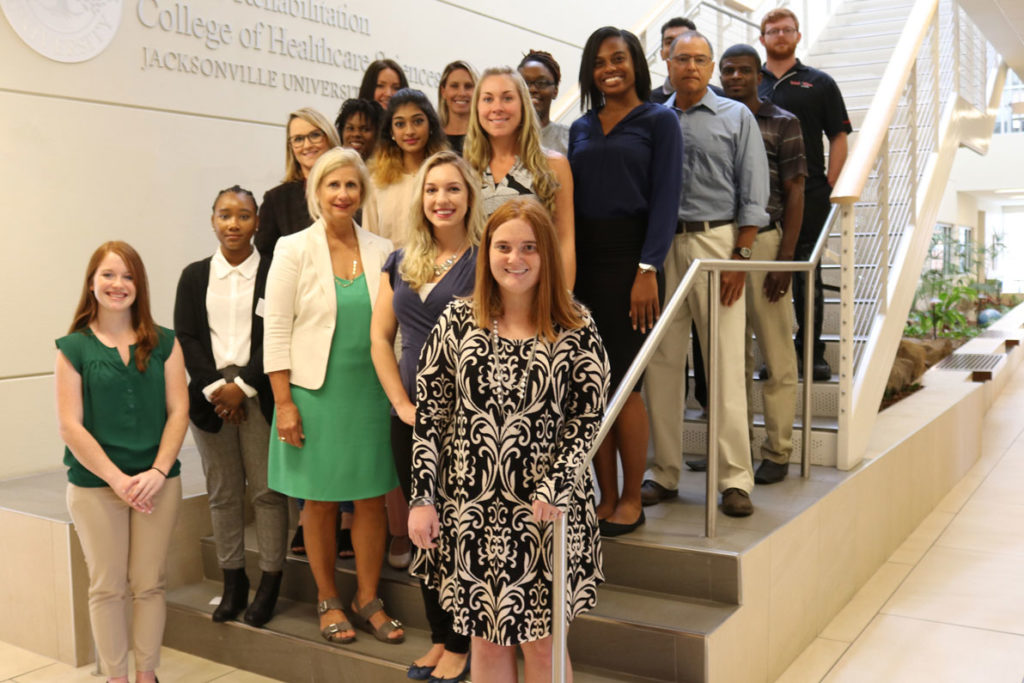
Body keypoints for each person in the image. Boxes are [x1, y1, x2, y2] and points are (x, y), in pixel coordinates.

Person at [408, 197, 608, 683]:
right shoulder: (457, 320)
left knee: (543, 644)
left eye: (529, 248)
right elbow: (431, 415)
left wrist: (557, 484)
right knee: (485, 639)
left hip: (547, 511)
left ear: (547, 256)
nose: (514, 259)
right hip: (473, 508)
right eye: (503, 246)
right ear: (486, 251)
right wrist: (422, 498)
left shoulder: (575, 327)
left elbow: (590, 418)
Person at [263, 147, 405, 646]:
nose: (342, 194)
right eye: (332, 185)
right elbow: (276, 329)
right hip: (314, 393)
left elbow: (392, 326)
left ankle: (368, 597)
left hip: (370, 392)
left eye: (350, 185)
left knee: (371, 499)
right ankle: (328, 599)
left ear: (362, 192)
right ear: (316, 192)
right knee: (320, 503)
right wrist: (283, 402)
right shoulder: (292, 248)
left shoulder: (383, 248)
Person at [641, 31, 770, 518]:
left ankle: (736, 479)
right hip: (661, 247)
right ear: (667, 64)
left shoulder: (737, 118)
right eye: (682, 59)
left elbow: (754, 192)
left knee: (723, 363)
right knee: (663, 363)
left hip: (718, 244)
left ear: (711, 66)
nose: (690, 66)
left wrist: (741, 255)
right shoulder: (653, 119)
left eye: (700, 59)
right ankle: (664, 472)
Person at [370, 150, 482, 682]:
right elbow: (378, 339)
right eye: (432, 190)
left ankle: (463, 643)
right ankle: (439, 637)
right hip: (410, 416)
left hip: (468, 420)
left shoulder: (488, 260)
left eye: (452, 189)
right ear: (421, 199)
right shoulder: (400, 260)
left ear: (469, 196)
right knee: (423, 532)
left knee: (460, 532)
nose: (442, 199)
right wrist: (400, 404)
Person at [568, 26, 684, 537]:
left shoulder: (661, 120)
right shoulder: (580, 127)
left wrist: (647, 269)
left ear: (637, 62)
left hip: (631, 263)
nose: (609, 68)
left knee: (625, 384)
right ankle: (605, 496)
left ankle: (632, 496)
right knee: (593, 386)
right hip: (584, 267)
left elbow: (666, 199)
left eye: (618, 58)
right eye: (599, 62)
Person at [56, 241, 188, 683]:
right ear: (92, 283)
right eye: (109, 275)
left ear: (140, 285)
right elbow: (71, 427)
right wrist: (116, 479)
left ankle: (146, 674)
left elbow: (179, 412)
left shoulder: (165, 342)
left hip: (158, 483)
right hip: (96, 486)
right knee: (107, 587)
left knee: (149, 583)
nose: (118, 284)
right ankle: (116, 677)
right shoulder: (72, 348)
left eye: (128, 276)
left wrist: (154, 472)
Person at [174, 186, 289, 627]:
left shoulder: (275, 273)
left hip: (259, 394)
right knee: (223, 495)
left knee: (267, 493)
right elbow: (186, 337)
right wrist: (216, 391)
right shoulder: (194, 275)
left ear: (258, 222)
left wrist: (242, 386)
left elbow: (277, 334)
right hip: (209, 400)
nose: (234, 224)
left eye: (244, 215)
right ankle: (233, 580)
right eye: (225, 215)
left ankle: (269, 583)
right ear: (212, 220)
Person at [720, 44, 805, 485]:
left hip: (767, 245)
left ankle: (778, 449)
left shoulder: (782, 122)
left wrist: (785, 260)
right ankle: (736, 451)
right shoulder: (713, 118)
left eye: (744, 70)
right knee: (730, 358)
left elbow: (795, 190)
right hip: (720, 244)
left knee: (776, 353)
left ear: (760, 75)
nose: (735, 77)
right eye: (728, 70)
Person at [759, 7, 852, 381]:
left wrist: (831, 186)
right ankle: (774, 352)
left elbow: (840, 137)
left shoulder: (820, 82)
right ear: (762, 37)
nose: (780, 35)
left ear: (797, 36)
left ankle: (812, 353)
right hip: (762, 196)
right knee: (768, 272)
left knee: (805, 272)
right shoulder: (750, 81)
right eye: (772, 30)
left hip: (810, 191)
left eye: (787, 30)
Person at [464, 66, 575, 286]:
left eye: (507, 98)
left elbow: (565, 241)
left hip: (535, 294)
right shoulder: (467, 169)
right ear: (477, 108)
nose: (497, 108)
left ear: (523, 105)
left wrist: (564, 303)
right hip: (477, 294)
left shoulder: (553, 165)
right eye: (488, 99)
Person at [364, 88, 450, 248]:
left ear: (430, 124)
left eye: (417, 121)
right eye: (400, 124)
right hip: (388, 271)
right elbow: (369, 242)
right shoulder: (376, 182)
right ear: (391, 131)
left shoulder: (448, 176)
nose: (409, 131)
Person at [254, 107, 340, 258]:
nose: (307, 145)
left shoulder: (353, 188)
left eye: (315, 135)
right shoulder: (276, 200)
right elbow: (265, 258)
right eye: (298, 139)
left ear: (330, 137)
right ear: (291, 147)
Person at [517, 50, 569, 155]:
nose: (532, 89)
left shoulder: (570, 139)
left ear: (555, 91)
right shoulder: (502, 138)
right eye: (525, 83)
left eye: (541, 83)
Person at [649, 17, 697, 103]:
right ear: (662, 53)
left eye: (683, 40)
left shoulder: (719, 97)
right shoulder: (648, 102)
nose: (676, 46)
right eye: (669, 42)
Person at [438, 60, 477, 155]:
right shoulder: (432, 138)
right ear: (443, 92)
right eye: (454, 86)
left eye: (468, 86)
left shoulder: (486, 138)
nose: (461, 93)